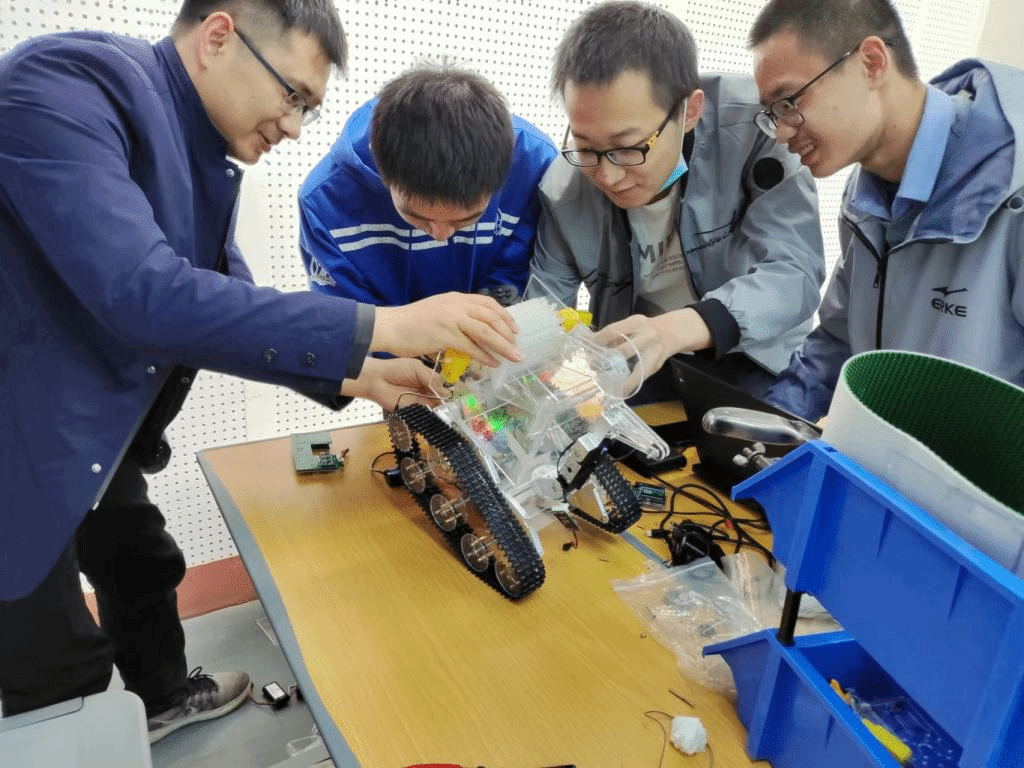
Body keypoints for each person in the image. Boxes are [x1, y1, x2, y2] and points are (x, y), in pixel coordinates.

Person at [0, 0, 522, 743]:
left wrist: (361, 376)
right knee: (56, 664)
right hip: (18, 429)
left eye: (310, 108)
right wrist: (388, 325)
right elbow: (147, 295)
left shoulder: (198, 148)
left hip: (89, 426)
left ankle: (162, 699)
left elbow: (228, 300)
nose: (295, 127)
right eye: (293, 96)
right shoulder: (66, 85)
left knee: (140, 559)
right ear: (219, 36)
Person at [527, 0, 826, 401]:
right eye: (586, 148)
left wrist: (680, 329)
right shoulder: (562, 188)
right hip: (641, 361)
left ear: (691, 111)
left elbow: (794, 273)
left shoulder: (758, 130)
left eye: (628, 148)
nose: (608, 176)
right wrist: (546, 374)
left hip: (753, 351)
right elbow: (547, 313)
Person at [749, 0, 1024, 421]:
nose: (782, 133)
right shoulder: (864, 199)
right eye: (773, 114)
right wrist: (764, 427)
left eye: (790, 101)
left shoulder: (1012, 191)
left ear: (872, 62)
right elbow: (838, 343)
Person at [298, 64, 558, 307]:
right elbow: (348, 320)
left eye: (466, 220)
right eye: (418, 217)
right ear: (382, 167)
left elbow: (517, 270)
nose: (441, 235)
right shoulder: (324, 201)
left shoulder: (534, 166)